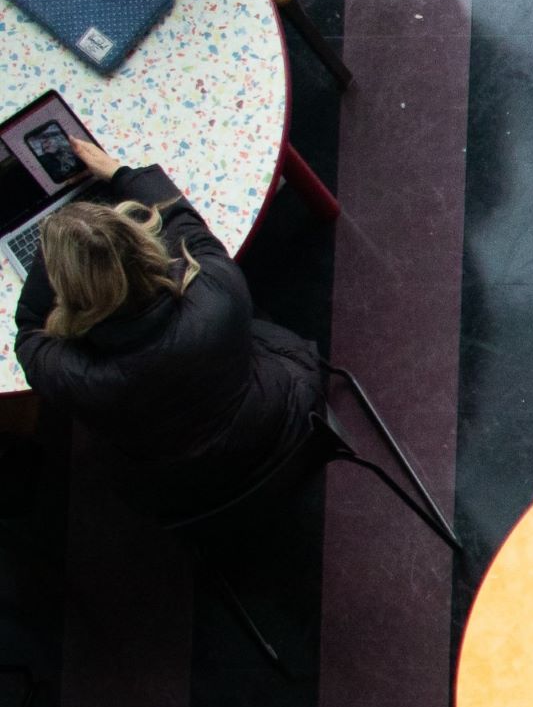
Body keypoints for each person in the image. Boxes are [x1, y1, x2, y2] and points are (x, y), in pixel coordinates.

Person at [14, 137, 318, 513]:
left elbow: (28, 331)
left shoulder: (78, 379)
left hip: (186, 488)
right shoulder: (218, 289)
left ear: (71, 294)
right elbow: (181, 217)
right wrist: (122, 174)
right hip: (284, 415)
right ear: (144, 242)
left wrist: (53, 255)